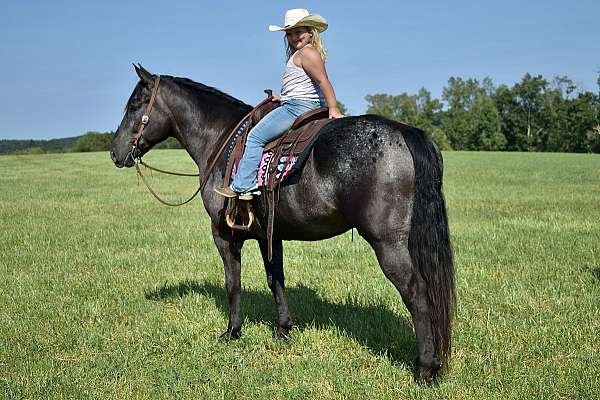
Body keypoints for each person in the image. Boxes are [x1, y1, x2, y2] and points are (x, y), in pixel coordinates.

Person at [215, 8, 343, 200]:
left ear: (310, 32)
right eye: (289, 33)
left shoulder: (306, 53)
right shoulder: (303, 53)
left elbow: (323, 81)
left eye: (298, 32)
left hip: (296, 108)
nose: (294, 37)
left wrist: (333, 108)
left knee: (255, 137)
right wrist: (282, 97)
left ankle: (244, 185)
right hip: (295, 103)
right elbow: (304, 86)